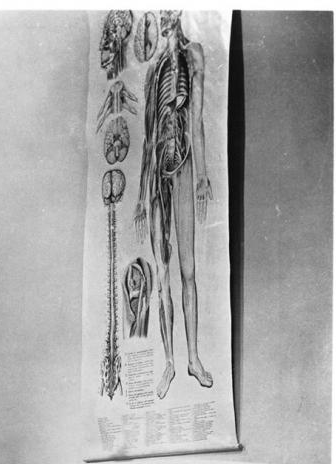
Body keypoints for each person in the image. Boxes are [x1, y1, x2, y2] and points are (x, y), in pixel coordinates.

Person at [134, 10, 213, 399]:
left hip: (182, 166)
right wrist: (139, 195)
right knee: (162, 276)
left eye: (169, 11)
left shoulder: (193, 53)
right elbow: (149, 136)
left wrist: (202, 174)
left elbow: (195, 119)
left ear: (179, 14)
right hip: (156, 175)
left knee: (188, 269)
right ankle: (169, 362)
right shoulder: (153, 71)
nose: (163, 15)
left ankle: (193, 358)